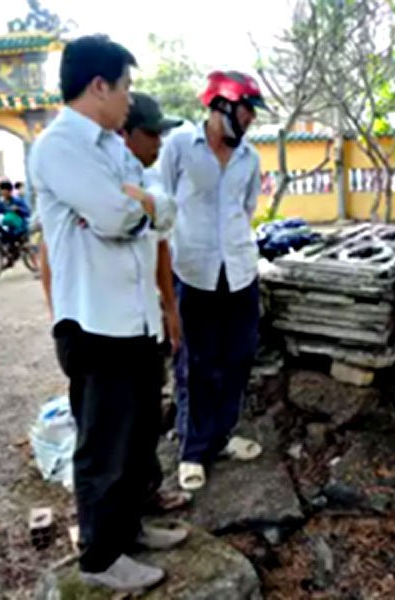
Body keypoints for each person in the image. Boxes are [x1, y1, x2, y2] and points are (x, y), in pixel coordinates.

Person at [28, 35, 184, 592]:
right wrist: (136, 205)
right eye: (125, 87)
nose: (129, 99)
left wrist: (138, 202)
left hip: (135, 318)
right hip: (94, 322)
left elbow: (161, 206)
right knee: (104, 447)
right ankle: (100, 558)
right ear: (99, 86)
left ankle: (129, 530)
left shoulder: (112, 149)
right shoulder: (60, 146)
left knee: (138, 437)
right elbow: (118, 217)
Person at [38, 90, 188, 513]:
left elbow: (161, 240)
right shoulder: (79, 176)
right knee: (105, 438)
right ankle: (107, 536)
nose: (159, 143)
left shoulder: (144, 178)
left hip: (140, 322)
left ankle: (143, 501)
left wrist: (169, 307)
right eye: (151, 134)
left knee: (142, 422)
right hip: (96, 325)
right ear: (124, 134)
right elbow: (52, 255)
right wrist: (59, 316)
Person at [160, 71, 266, 491]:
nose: (251, 118)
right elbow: (162, 203)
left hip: (239, 271)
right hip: (193, 271)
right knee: (196, 362)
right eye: (247, 109)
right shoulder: (179, 146)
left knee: (238, 356)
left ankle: (221, 436)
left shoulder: (249, 158)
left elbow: (247, 208)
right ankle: (193, 449)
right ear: (222, 106)